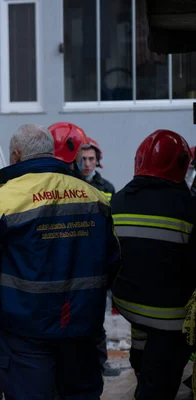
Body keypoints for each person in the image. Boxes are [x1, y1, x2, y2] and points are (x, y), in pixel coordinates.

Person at [0, 124, 121, 399]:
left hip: (25, 334)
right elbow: (113, 261)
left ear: (15, 155)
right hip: (83, 330)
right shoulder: (94, 196)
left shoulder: (2, 201)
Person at [111, 129, 196, 400]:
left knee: (144, 353)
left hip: (130, 306)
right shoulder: (188, 207)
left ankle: (141, 366)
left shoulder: (118, 200)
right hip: (170, 317)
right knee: (160, 382)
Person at [49, 121, 120, 378]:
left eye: (91, 158)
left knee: (94, 319)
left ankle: (99, 363)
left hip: (93, 262)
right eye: (83, 158)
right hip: (76, 264)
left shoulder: (106, 189)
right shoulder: (70, 185)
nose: (87, 163)